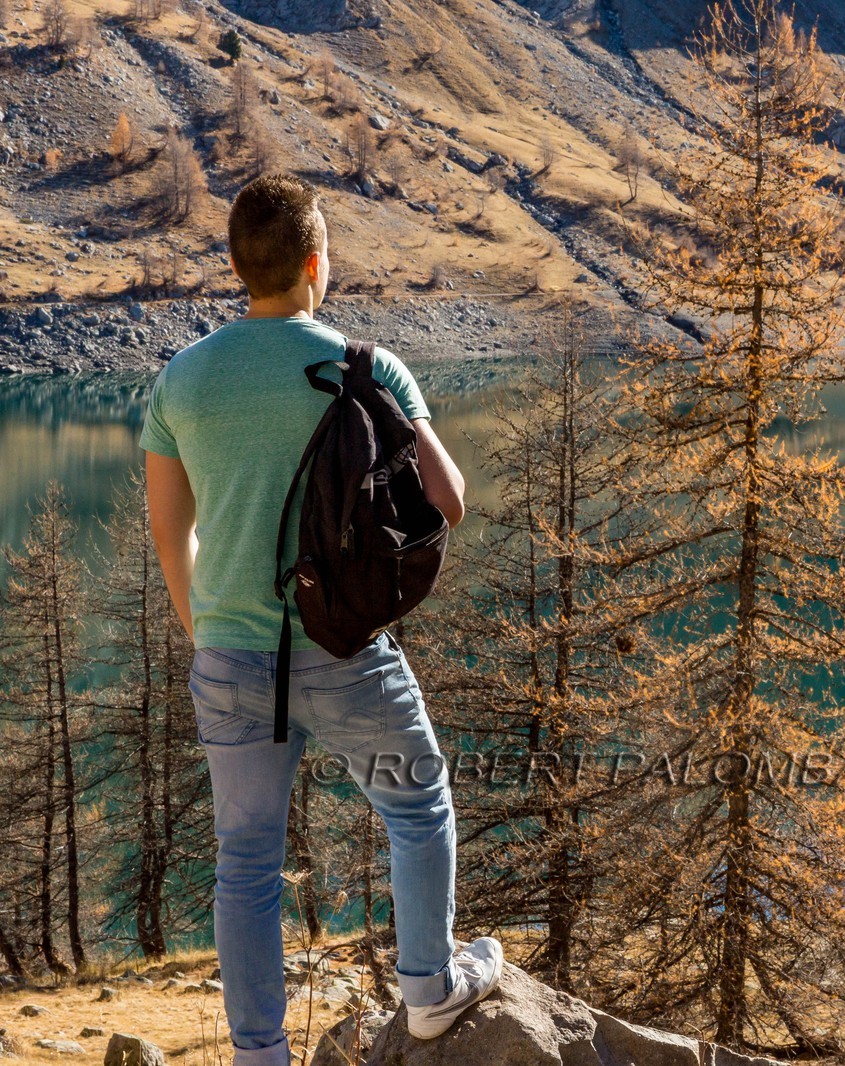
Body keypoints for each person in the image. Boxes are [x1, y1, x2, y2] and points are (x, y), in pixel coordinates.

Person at [141, 173, 502, 1065]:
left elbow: (170, 533)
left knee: (245, 864)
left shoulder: (182, 379)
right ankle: (429, 991)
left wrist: (208, 633)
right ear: (314, 264)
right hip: (346, 654)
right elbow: (450, 500)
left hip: (230, 660)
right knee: (417, 805)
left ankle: (259, 1054)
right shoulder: (367, 367)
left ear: (238, 267)